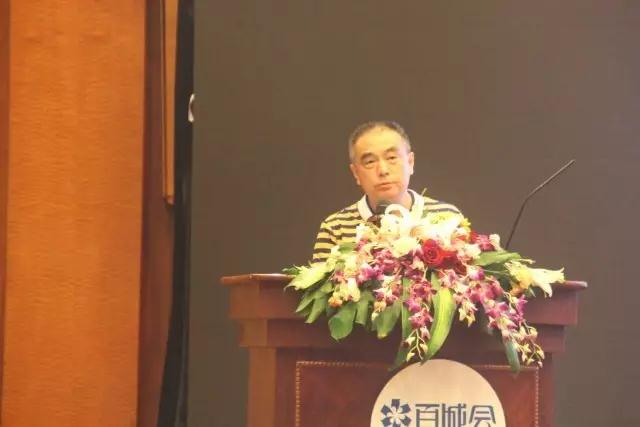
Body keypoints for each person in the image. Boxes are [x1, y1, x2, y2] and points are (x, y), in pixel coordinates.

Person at [311, 121, 461, 264]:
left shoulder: (448, 217)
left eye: (391, 158)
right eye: (370, 161)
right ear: (355, 173)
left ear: (410, 162)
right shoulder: (335, 228)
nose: (383, 170)